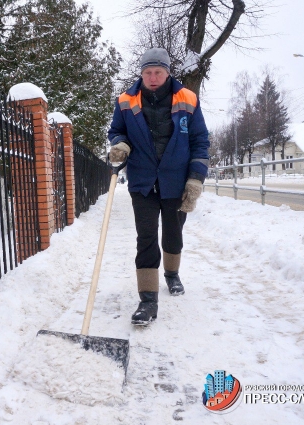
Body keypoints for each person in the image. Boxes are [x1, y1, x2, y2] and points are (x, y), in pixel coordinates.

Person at [108, 47, 209, 326]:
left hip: (177, 181)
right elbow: (116, 131)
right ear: (141, 74)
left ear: (167, 73)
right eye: (148, 72)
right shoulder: (126, 100)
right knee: (147, 237)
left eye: (158, 72)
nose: (153, 77)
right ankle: (148, 299)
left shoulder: (187, 99)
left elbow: (200, 141)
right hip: (142, 180)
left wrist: (196, 178)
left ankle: (172, 273)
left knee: (173, 233)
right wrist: (121, 144)